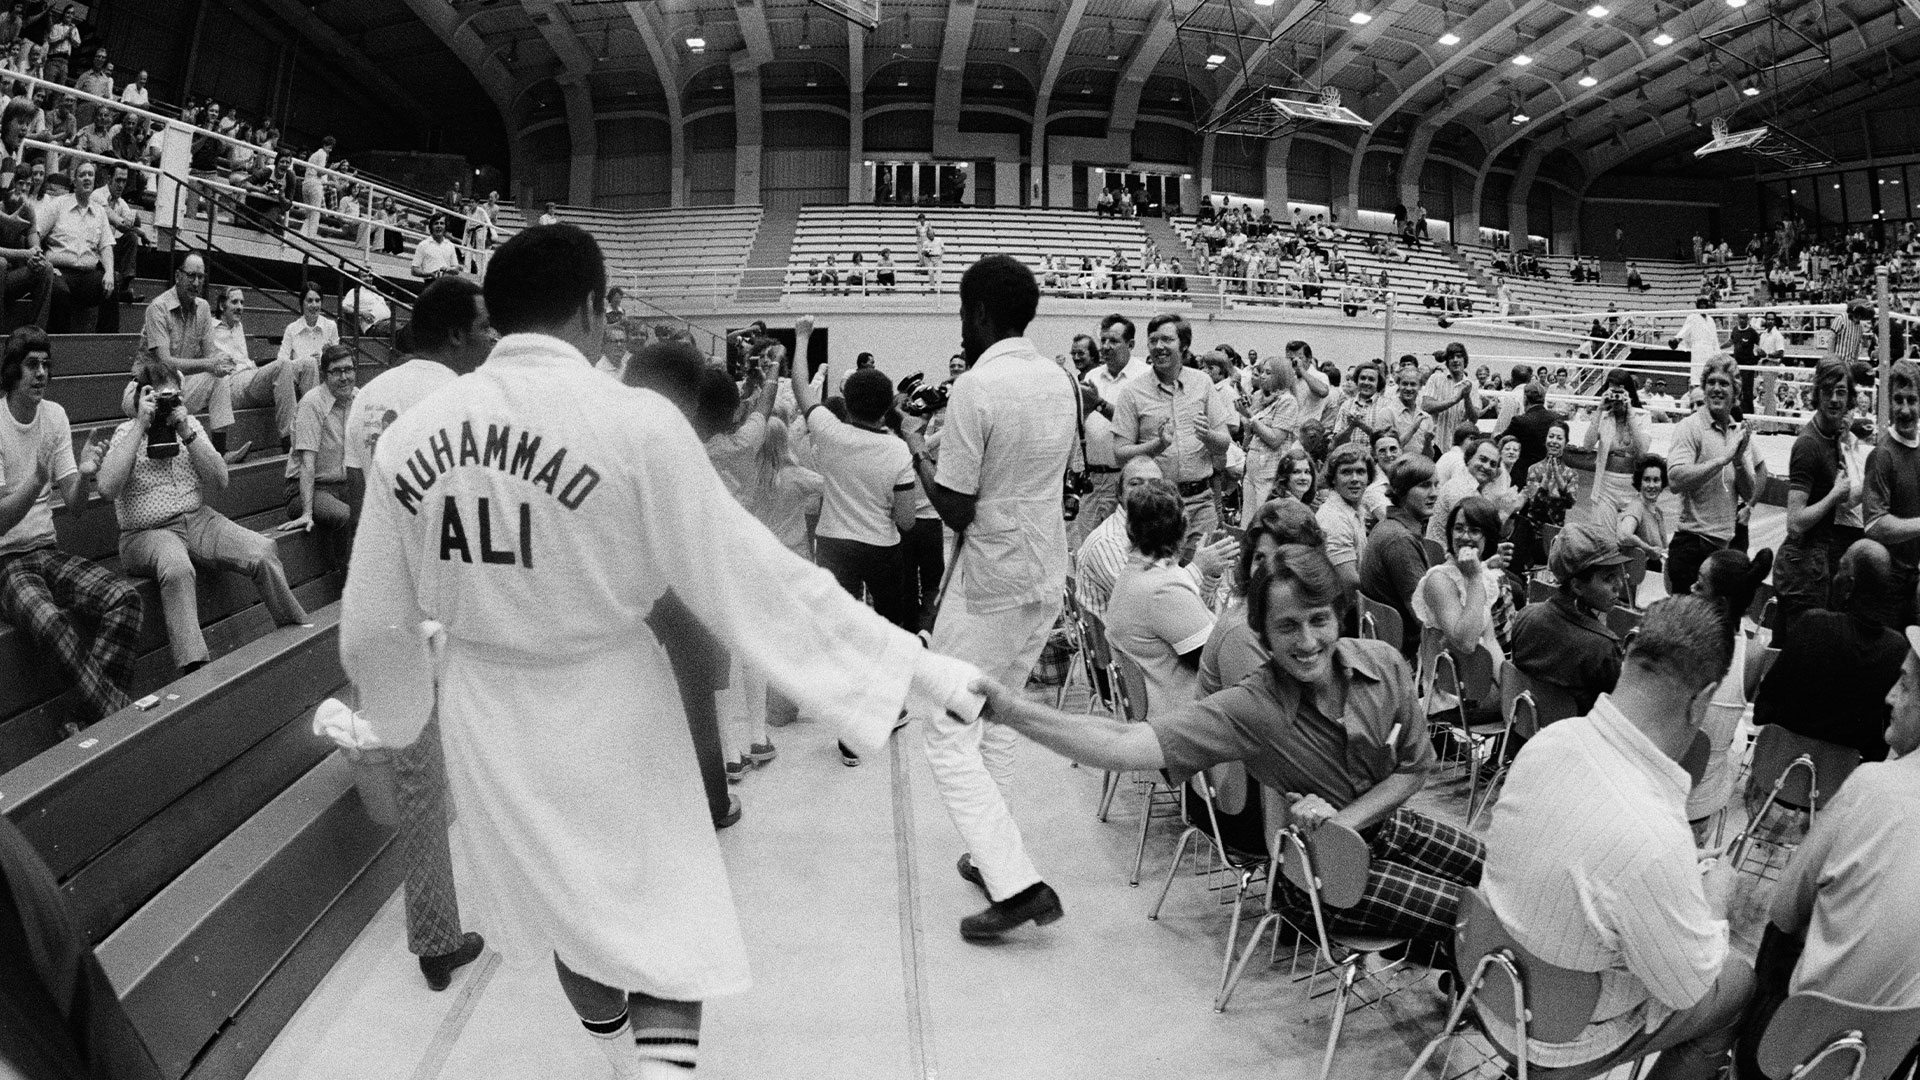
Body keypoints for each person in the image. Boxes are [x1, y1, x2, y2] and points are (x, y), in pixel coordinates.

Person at [341, 223, 985, 1076]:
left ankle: (622, 1064)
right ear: (592, 307)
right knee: (670, 920)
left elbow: (370, 625)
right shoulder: (634, 421)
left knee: (572, 920)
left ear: (498, 314)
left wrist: (396, 717)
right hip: (608, 690)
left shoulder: (409, 439)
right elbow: (754, 577)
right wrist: (913, 665)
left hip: (484, 705)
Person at [977, 543, 1485, 958]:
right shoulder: (1255, 707)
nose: (1307, 642)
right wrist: (1013, 711)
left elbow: (1416, 767)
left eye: (1319, 620)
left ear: (1340, 616)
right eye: (1287, 627)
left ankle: (1448, 964)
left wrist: (1344, 822)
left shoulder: (1384, 664)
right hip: (1310, 872)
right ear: (1263, 635)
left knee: (1495, 872)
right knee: (1480, 917)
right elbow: (1121, 743)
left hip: (1375, 826)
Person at [1482, 596, 1753, 1080]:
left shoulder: (1550, 740)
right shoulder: (1654, 835)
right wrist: (1713, 902)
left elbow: (1591, 860)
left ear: (1629, 652)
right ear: (1702, 699)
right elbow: (1686, 988)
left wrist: (1670, 878)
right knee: (1735, 983)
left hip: (1487, 982)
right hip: (1554, 1036)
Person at [898, 255, 1080, 941]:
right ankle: (993, 857)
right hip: (1043, 572)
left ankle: (1016, 884)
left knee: (946, 727)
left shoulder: (976, 387)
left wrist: (915, 451)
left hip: (992, 583)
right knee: (997, 718)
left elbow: (958, 510)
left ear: (976, 314)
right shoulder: (1061, 380)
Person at [1733, 620, 1920, 1079]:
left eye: (1906, 683)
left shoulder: (1874, 786)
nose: (1890, 696)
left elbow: (1783, 911)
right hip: (1884, 1063)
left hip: (1789, 1052)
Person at [96, 357, 309, 675]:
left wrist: (186, 430)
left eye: (173, 398)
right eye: (159, 399)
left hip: (197, 519)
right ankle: (196, 672)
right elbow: (107, 489)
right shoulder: (126, 431)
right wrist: (141, 424)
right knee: (178, 566)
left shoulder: (189, 425)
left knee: (263, 551)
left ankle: (300, 631)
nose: (167, 406)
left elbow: (221, 480)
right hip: (145, 534)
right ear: (143, 397)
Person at [0, 326, 141, 728]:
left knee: (125, 599)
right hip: (6, 563)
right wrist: (35, 482)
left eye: (46, 365)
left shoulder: (55, 415)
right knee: (55, 623)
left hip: (46, 551)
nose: (41, 373)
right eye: (31, 365)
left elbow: (76, 506)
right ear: (12, 371)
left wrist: (86, 473)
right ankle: (120, 715)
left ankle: (81, 719)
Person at [1752, 538, 1906, 763]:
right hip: (1840, 788)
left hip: (1777, 773)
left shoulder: (1813, 625)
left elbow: (1764, 708)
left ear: (1849, 584)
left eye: (1840, 568)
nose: (1833, 576)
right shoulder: (1898, 649)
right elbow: (1882, 740)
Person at [1113, 313, 1230, 554]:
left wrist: (1207, 435)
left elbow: (1224, 443)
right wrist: (1158, 445)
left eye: (1166, 340)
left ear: (1184, 345)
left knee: (1203, 574)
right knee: (1163, 574)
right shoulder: (1132, 392)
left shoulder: (1203, 383)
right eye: (1153, 340)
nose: (1158, 347)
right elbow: (1120, 454)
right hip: (1156, 507)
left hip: (1200, 503)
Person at [1103, 478, 1214, 715]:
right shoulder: (1163, 589)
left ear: (1130, 528)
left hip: (1156, 718)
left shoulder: (1133, 574)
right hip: (1185, 722)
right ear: (1183, 526)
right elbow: (1215, 663)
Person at [1773, 358, 1859, 635]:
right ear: (1817, 393)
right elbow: (1794, 521)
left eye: (1841, 392)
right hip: (1802, 565)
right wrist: (1834, 495)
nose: (1834, 399)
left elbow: (1847, 497)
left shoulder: (1831, 437)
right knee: (1800, 655)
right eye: (1828, 391)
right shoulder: (1808, 445)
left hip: (1814, 562)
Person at [1666, 353, 1761, 597]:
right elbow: (1675, 479)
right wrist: (1722, 460)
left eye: (1724, 383)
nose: (1716, 389)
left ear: (1736, 392)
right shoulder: (1690, 427)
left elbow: (1749, 494)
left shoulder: (1738, 432)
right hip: (1692, 548)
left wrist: (1738, 461)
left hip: (1724, 553)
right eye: (1711, 383)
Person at [1510, 523, 1625, 715]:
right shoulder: (1602, 646)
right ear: (1577, 586)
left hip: (1522, 735)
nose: (1619, 585)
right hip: (1576, 741)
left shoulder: (1526, 616)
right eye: (1608, 578)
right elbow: (1619, 710)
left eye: (1619, 575)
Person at [1414, 495, 1508, 719]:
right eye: (1458, 529)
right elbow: (1465, 642)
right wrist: (1475, 578)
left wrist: (1508, 684)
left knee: (1526, 697)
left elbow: (1490, 641)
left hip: (1477, 680)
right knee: (1535, 709)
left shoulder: (1481, 574)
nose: (1465, 537)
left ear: (1488, 537)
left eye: (1474, 530)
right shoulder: (1439, 580)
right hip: (1451, 695)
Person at [284, 344, 357, 566]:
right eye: (336, 371)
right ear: (325, 375)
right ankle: (346, 590)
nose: (344, 377)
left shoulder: (358, 398)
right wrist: (307, 512)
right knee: (345, 515)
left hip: (343, 484)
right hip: (305, 489)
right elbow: (307, 463)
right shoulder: (312, 403)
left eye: (348, 369)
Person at [1359, 455, 1436, 659]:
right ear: (1402, 491)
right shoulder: (1400, 540)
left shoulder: (1385, 526)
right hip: (1408, 651)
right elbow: (1425, 617)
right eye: (1424, 486)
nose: (1434, 494)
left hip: (1388, 643)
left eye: (1436, 485)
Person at [1865, 359, 1920, 627]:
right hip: (1887, 586)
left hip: (1914, 579)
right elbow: (1875, 525)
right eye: (1898, 400)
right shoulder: (1882, 455)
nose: (1905, 409)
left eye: (1912, 400)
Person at [1236, 349, 1300, 526]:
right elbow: (1250, 436)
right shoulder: (1259, 398)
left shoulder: (1288, 401)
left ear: (1280, 376)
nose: (1262, 376)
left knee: (1263, 522)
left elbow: (1275, 439)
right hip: (1252, 467)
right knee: (1246, 521)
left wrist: (1249, 416)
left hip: (1270, 470)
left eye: (1268, 372)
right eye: (1262, 371)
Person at [1582, 368, 1654, 523]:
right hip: (1605, 485)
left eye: (1619, 389)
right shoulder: (1604, 416)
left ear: (1627, 390)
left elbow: (1642, 452)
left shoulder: (1643, 416)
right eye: (1611, 388)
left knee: (1626, 535)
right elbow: (1587, 446)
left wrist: (1630, 414)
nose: (1615, 395)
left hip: (1632, 486)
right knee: (1603, 536)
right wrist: (1600, 409)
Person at [1316, 443, 1372, 591]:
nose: (1355, 479)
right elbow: (1350, 581)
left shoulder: (1354, 508)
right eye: (1346, 472)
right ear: (1333, 479)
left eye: (1361, 472)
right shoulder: (1334, 518)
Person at [1617, 454, 1670, 579]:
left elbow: (1663, 548)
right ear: (1639, 482)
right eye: (1647, 479)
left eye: (1656, 480)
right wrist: (1648, 549)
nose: (1651, 485)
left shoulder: (1658, 512)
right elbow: (1624, 535)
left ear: (1662, 483)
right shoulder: (1637, 507)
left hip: (1652, 575)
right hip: (1638, 580)